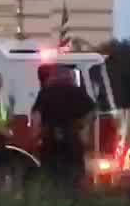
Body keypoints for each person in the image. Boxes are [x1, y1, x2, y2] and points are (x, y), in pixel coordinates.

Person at [32, 65, 96, 196]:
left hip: (50, 140)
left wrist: (36, 135)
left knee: (51, 176)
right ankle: (73, 200)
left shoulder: (45, 92)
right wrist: (82, 125)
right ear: (69, 76)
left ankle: (54, 200)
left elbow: (36, 115)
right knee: (74, 175)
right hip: (72, 139)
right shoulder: (77, 92)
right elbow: (93, 111)